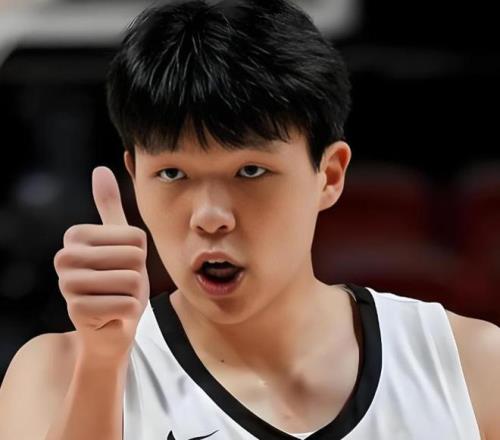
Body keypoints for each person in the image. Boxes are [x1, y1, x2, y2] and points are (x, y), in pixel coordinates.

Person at [0, 0, 499, 439]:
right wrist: (102, 367)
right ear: (134, 178)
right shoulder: (54, 374)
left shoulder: (474, 367)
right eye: (172, 173)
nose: (210, 217)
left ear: (328, 175)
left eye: (250, 171)